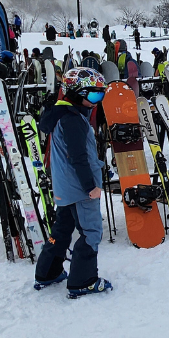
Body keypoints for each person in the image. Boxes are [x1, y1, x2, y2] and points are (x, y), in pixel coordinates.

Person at [35, 67, 112, 298]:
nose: (97, 102)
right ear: (76, 93)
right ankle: (83, 281)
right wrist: (91, 187)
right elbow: (78, 157)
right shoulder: (73, 120)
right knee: (91, 232)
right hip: (80, 190)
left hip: (65, 187)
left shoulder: (59, 113)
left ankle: (48, 272)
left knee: (62, 229)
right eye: (94, 96)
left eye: (101, 96)